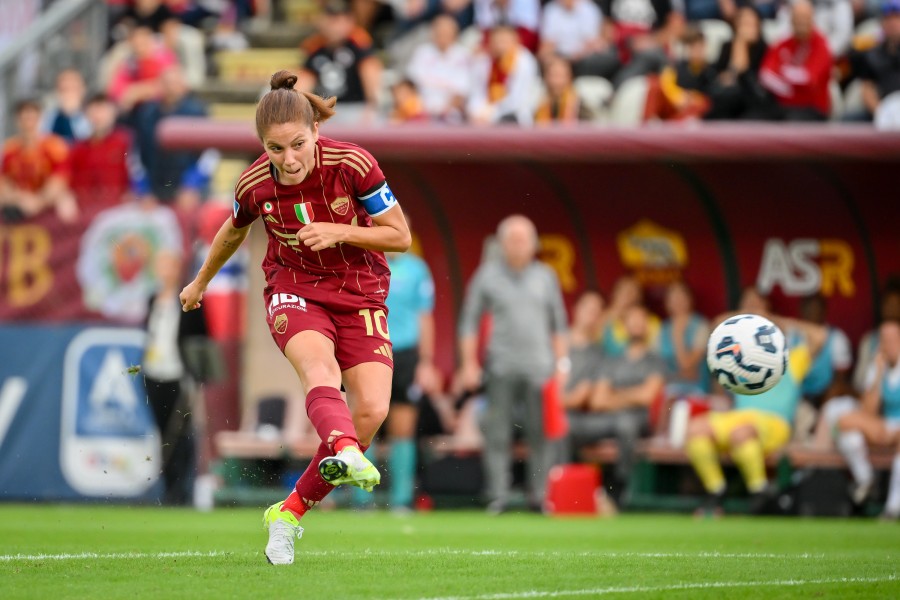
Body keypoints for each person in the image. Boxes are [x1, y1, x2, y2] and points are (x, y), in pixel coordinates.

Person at [179, 70, 411, 565]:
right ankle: (344, 447)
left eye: (298, 145)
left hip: (360, 293)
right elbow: (232, 231)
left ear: (316, 132)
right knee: (318, 368)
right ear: (262, 145)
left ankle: (286, 514)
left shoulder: (354, 164)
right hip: (294, 288)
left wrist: (339, 231)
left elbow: (400, 235)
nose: (288, 159)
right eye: (275, 148)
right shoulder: (254, 183)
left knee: (372, 411)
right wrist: (200, 282)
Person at [458, 215, 568, 513]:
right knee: (497, 433)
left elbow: (559, 325)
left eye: (524, 239)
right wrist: (468, 364)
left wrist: (562, 365)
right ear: (502, 244)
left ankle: (540, 497)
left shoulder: (546, 276)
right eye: (513, 239)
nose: (519, 245)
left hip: (541, 368)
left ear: (534, 244)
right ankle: (499, 496)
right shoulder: (487, 275)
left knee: (541, 435)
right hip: (500, 367)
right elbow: (468, 322)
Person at [686, 288, 826, 516]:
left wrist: (776, 320)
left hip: (775, 423)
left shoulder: (791, 358)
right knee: (695, 428)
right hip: (740, 417)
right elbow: (715, 326)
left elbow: (819, 336)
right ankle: (716, 491)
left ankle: (759, 492)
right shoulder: (740, 357)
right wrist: (749, 316)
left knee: (741, 433)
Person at [569, 305, 666, 504]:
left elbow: (647, 397)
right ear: (624, 327)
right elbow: (598, 400)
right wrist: (631, 395)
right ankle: (573, 485)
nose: (637, 326)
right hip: (608, 418)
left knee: (626, 423)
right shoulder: (611, 360)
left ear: (647, 327)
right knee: (569, 425)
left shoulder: (655, 360)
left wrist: (614, 395)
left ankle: (618, 489)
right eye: (632, 321)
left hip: (640, 419)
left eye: (641, 322)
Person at [377, 237, 440, 511]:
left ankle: (400, 499)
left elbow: (425, 316)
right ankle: (361, 500)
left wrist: (425, 362)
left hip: (405, 355)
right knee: (364, 421)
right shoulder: (364, 262)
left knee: (402, 428)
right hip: (370, 349)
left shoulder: (417, 269)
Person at [144, 250, 209, 506]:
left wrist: (196, 374)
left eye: (169, 266)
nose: (165, 272)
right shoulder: (152, 299)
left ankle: (182, 491)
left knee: (180, 434)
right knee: (161, 432)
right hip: (153, 373)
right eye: (161, 266)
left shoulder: (189, 298)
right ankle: (168, 489)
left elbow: (200, 337)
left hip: (178, 375)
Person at [833, 321, 900, 512]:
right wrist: (878, 373)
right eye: (884, 340)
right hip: (884, 426)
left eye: (892, 340)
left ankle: (894, 506)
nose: (887, 345)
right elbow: (868, 411)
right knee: (845, 421)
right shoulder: (878, 365)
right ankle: (866, 479)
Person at [133, 65, 214, 210]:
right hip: (155, 188)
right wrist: (144, 190)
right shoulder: (147, 113)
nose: (170, 88)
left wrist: (191, 185)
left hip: (189, 188)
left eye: (175, 83)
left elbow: (209, 154)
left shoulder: (197, 112)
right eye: (166, 83)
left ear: (184, 86)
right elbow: (137, 155)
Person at [298, 0, 383, 118]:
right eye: (332, 21)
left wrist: (372, 106)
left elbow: (370, 73)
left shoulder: (359, 42)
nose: (336, 27)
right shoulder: (315, 46)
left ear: (350, 21)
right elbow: (304, 81)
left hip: (355, 108)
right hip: (325, 109)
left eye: (341, 21)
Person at [0, 98, 78, 223]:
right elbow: (4, 182)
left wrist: (38, 201)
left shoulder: (54, 146)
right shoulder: (10, 149)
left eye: (31, 118)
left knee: (66, 202)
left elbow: (60, 180)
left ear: (40, 118)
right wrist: (19, 198)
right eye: (24, 119)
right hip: (19, 202)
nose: (28, 124)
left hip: (46, 200)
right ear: (17, 120)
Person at [755, 0, 833, 121]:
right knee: (754, 118)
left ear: (812, 19)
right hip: (782, 105)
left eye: (804, 17)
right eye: (797, 17)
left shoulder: (821, 45)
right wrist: (785, 85)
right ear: (791, 19)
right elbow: (765, 74)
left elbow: (809, 79)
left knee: (791, 123)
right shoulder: (784, 44)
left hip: (811, 108)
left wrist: (783, 73)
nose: (801, 21)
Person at [69, 93, 134, 216]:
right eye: (94, 111)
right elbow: (67, 181)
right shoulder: (78, 148)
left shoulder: (126, 142)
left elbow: (137, 176)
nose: (98, 116)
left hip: (117, 211)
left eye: (103, 110)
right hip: (84, 213)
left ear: (113, 113)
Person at [467, 23, 541, 125]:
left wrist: (491, 114)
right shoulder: (483, 60)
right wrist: (476, 112)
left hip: (514, 115)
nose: (500, 45)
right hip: (484, 115)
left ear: (515, 40)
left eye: (504, 41)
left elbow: (517, 98)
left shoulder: (524, 61)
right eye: (497, 40)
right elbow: (476, 92)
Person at [705, 5, 769, 120]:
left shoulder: (764, 49)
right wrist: (739, 43)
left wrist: (742, 44)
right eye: (744, 24)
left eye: (751, 24)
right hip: (729, 99)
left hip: (754, 100)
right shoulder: (727, 46)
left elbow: (748, 77)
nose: (747, 29)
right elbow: (721, 76)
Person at [406, 14, 472, 122]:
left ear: (454, 34)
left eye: (446, 32)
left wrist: (443, 111)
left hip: (450, 116)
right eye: (439, 32)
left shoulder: (463, 55)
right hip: (420, 113)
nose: (442, 35)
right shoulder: (422, 52)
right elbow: (410, 84)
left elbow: (461, 92)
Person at [538, 0, 618, 79]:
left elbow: (592, 43)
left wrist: (575, 57)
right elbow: (547, 44)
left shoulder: (589, 8)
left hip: (583, 57)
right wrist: (559, 59)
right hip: (559, 56)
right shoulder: (551, 9)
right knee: (549, 61)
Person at [659, 280, 710, 398]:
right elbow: (658, 368)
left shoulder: (701, 326)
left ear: (689, 300)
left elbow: (687, 367)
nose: (677, 301)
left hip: (695, 391)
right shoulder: (663, 328)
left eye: (681, 296)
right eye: (673, 297)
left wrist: (678, 337)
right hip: (667, 390)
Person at [855, 0, 900, 121]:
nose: (892, 23)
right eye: (888, 18)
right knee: (848, 119)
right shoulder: (873, 54)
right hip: (883, 114)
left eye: (896, 18)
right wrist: (882, 114)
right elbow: (867, 88)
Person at [601, 275, 660, 358]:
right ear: (614, 293)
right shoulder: (601, 317)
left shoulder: (650, 320)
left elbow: (655, 349)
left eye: (632, 291)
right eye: (623, 290)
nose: (627, 295)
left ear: (638, 297)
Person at [534, 55, 592, 124]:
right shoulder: (536, 104)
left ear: (570, 78)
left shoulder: (580, 107)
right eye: (554, 75)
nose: (557, 81)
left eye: (561, 76)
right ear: (545, 77)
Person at [40, 68, 91, 143]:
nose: (68, 94)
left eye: (73, 88)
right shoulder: (46, 118)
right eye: (64, 89)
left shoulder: (92, 118)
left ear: (83, 90)